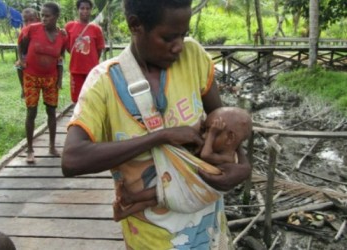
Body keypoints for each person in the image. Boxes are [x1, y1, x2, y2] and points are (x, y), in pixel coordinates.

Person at [61, 0, 251, 249]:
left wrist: (244, 165)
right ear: (135, 25)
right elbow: (72, 160)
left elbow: (226, 121)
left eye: (183, 35)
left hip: (208, 229)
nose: (178, 47)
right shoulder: (103, 83)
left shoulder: (193, 57)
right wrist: (160, 137)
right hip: (151, 239)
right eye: (169, 38)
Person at [112, 107, 252, 222]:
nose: (204, 136)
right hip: (188, 185)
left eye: (210, 132)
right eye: (204, 130)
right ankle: (124, 212)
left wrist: (212, 134)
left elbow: (205, 155)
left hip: (191, 193)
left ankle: (131, 199)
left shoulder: (228, 158)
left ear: (230, 138)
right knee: (155, 198)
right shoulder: (231, 151)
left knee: (158, 193)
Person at [18, 2, 67, 163]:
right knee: (31, 112)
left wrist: (59, 79)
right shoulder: (32, 29)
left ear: (56, 17)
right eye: (42, 15)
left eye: (48, 16)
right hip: (31, 77)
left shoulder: (62, 35)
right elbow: (21, 45)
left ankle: (52, 147)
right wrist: (21, 61)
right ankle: (30, 150)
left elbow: (60, 57)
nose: (44, 18)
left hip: (50, 78)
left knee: (51, 112)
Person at [64, 0, 105, 103]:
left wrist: (91, 60)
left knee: (92, 98)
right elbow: (67, 46)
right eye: (82, 8)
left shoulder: (96, 29)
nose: (85, 11)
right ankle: (78, 118)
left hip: (92, 70)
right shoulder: (70, 26)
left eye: (87, 8)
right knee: (77, 100)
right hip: (76, 69)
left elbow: (99, 49)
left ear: (91, 10)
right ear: (78, 10)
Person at [15, 8, 40, 99]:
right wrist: (21, 59)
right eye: (26, 21)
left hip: (40, 55)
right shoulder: (24, 30)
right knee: (18, 66)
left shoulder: (42, 28)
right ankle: (23, 88)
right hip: (27, 54)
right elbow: (19, 45)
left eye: (31, 20)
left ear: (37, 19)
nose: (29, 23)